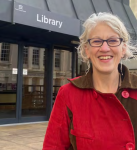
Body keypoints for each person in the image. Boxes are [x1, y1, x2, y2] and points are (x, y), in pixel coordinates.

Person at [42, 12, 137, 150]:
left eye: (113, 40)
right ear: (87, 50)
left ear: (123, 48)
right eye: (97, 41)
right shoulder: (68, 94)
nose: (104, 48)